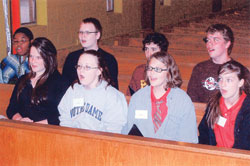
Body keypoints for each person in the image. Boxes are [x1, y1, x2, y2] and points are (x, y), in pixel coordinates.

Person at [123, 52, 198, 143]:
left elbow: (189, 140)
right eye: (150, 68)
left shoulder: (182, 100)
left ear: (169, 72)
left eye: (157, 69)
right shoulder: (137, 98)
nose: (151, 73)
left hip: (171, 154)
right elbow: (129, 133)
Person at [59, 50, 127, 134]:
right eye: (79, 66)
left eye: (87, 67)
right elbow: (65, 120)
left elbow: (113, 131)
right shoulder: (73, 90)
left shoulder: (112, 96)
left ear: (99, 71)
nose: (81, 71)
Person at [6, 37, 67, 125]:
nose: (33, 61)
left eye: (38, 57)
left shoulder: (60, 83)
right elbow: (12, 108)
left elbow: (62, 115)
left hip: (48, 131)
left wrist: (36, 125)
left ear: (48, 58)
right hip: (22, 128)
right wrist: (19, 119)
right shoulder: (23, 80)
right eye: (31, 56)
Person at [187, 24, 250, 103]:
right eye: (208, 40)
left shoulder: (241, 71)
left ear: (227, 44)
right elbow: (191, 100)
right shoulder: (200, 68)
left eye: (216, 40)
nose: (209, 44)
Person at [198, 61, 250, 150]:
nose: (222, 84)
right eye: (220, 79)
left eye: (228, 80)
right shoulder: (214, 104)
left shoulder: (247, 108)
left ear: (240, 83)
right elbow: (204, 135)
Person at [62, 17, 119, 89]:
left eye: (87, 33)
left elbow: (112, 88)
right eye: (81, 32)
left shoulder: (109, 59)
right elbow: (64, 86)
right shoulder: (72, 57)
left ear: (97, 35)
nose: (83, 36)